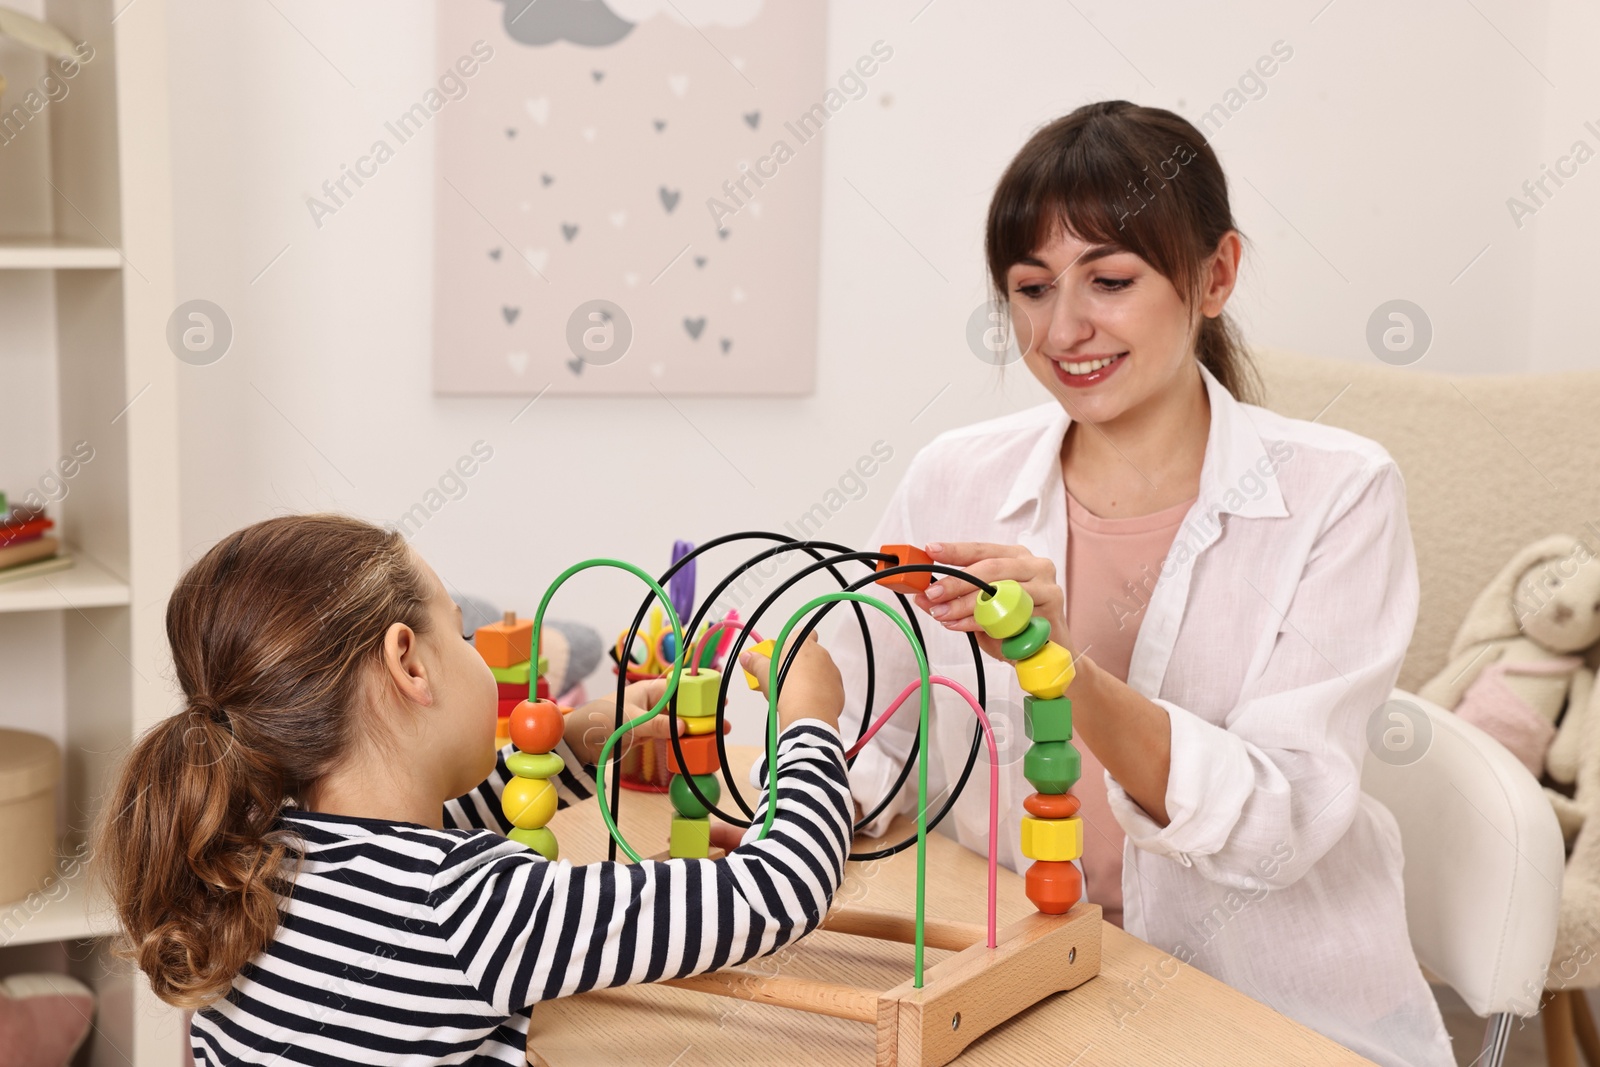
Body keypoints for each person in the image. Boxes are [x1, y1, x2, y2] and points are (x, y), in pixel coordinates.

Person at [835, 101, 1453, 1067]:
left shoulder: (1340, 491)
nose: (1064, 328)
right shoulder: (954, 479)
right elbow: (883, 748)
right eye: (1031, 288)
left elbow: (1276, 825)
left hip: (1268, 1012)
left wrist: (1057, 663)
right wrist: (763, 730)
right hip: (1021, 985)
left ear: (1216, 275)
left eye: (1110, 281)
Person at [97, 513, 851, 1066]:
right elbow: (779, 890)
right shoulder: (470, 908)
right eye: (460, 634)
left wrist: (587, 734)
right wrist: (810, 724)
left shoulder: (252, 855)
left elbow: (456, 816)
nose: (475, 656)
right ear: (410, 663)